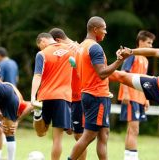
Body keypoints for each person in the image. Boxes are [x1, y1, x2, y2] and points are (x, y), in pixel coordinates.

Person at [68, 16, 127, 160]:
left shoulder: (81, 47)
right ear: (95, 29)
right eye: (104, 28)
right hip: (96, 96)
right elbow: (102, 73)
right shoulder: (95, 47)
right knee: (89, 135)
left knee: (103, 133)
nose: (106, 32)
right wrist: (120, 60)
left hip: (92, 94)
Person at [31, 32, 74, 160]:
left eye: (40, 46)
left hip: (45, 96)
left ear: (43, 41)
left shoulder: (42, 54)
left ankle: (37, 115)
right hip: (63, 96)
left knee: (41, 132)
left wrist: (33, 96)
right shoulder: (70, 50)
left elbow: (37, 75)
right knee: (57, 138)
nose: (41, 48)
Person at [49, 28, 87, 160]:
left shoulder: (78, 49)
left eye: (53, 45)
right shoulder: (64, 50)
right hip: (66, 96)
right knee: (69, 131)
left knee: (79, 135)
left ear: (57, 41)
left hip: (78, 97)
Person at [117, 30, 155, 160]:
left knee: (132, 130)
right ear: (141, 42)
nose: (151, 46)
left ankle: (129, 157)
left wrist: (146, 98)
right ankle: (132, 157)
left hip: (139, 98)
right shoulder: (132, 55)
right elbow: (123, 74)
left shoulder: (145, 59)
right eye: (149, 43)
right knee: (134, 129)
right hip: (131, 97)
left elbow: (142, 82)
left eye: (152, 43)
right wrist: (126, 93)